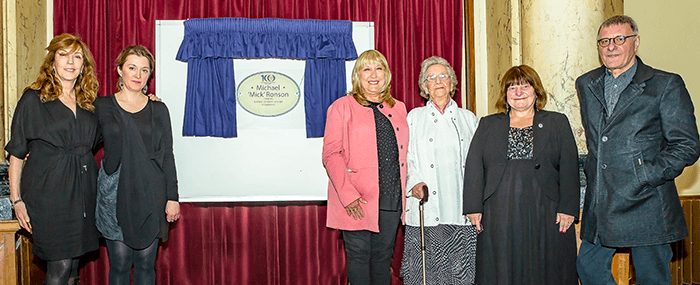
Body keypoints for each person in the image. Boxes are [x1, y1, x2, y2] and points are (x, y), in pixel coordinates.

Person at [575, 15, 700, 284]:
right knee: (588, 268)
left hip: (648, 202)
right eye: (604, 41)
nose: (611, 46)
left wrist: (644, 174)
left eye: (620, 39)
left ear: (636, 42)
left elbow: (687, 145)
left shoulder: (665, 84)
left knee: (652, 278)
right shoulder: (586, 84)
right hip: (602, 203)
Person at [463, 65, 580, 284]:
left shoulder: (557, 122)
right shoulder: (488, 124)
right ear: (505, 94)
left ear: (536, 91)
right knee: (502, 265)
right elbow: (474, 166)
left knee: (546, 264)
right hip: (499, 210)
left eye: (525, 86)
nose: (518, 92)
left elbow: (569, 167)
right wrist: (473, 207)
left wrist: (568, 208)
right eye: (512, 87)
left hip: (546, 209)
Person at [6, 33, 101, 285]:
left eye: (77, 56)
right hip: (48, 196)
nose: (70, 62)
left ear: (83, 66)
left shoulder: (89, 104)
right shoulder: (33, 99)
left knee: (73, 269)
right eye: (63, 55)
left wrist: (148, 101)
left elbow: (118, 122)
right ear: (52, 61)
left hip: (83, 195)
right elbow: (16, 154)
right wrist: (17, 200)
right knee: (59, 265)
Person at [94, 45, 180, 285]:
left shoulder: (159, 109)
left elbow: (167, 155)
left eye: (144, 70)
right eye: (132, 68)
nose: (137, 75)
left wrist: (172, 197)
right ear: (120, 70)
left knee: (145, 265)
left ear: (149, 76)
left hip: (151, 194)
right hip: (114, 194)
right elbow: (82, 143)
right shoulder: (101, 107)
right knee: (120, 265)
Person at [322, 49, 409, 285]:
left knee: (383, 261)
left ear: (387, 74)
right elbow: (331, 154)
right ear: (357, 76)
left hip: (391, 198)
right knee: (359, 260)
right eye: (366, 69)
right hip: (356, 200)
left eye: (379, 68)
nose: (373, 74)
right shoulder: (342, 106)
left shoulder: (399, 108)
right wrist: (348, 196)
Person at [401, 56, 478, 284]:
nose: (438, 81)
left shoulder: (469, 119)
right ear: (425, 86)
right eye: (431, 78)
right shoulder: (414, 118)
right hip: (426, 212)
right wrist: (414, 182)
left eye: (443, 76)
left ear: (452, 82)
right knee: (424, 275)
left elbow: (477, 165)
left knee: (459, 275)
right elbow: (406, 158)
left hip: (460, 212)